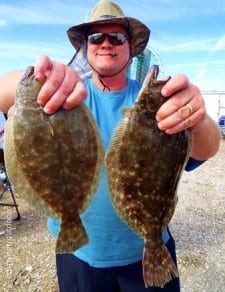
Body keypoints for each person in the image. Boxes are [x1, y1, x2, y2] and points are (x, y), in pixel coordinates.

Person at [0, 0, 220, 291]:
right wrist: (37, 77)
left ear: (131, 49)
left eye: (117, 37)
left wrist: (198, 117)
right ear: (85, 48)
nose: (106, 43)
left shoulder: (163, 110)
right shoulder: (64, 101)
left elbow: (207, 149)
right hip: (80, 256)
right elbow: (7, 96)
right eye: (96, 37)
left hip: (144, 249)